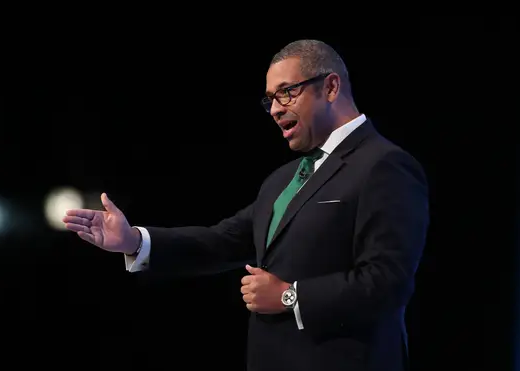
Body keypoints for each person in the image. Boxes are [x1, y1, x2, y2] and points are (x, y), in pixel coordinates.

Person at [62, 39, 429, 371]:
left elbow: (388, 283)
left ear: (330, 87)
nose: (274, 109)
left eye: (287, 93)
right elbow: (222, 241)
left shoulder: (383, 166)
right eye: (270, 99)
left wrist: (290, 296)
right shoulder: (283, 180)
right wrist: (134, 242)